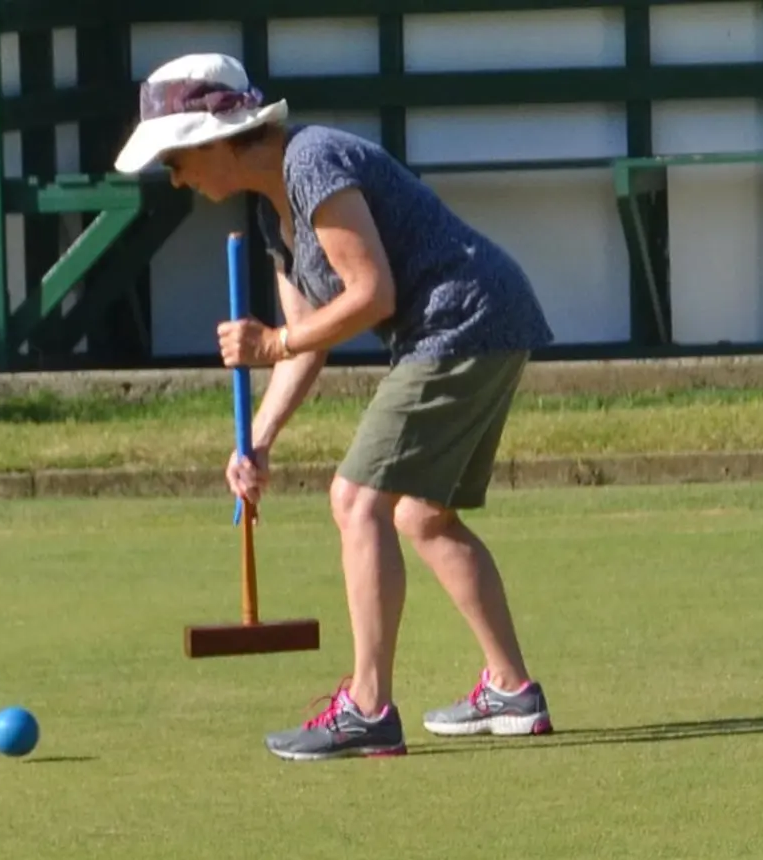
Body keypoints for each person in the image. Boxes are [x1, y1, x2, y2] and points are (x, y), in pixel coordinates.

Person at [117, 54, 555, 761]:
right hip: (485, 322)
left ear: (216, 139)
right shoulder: (273, 216)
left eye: (175, 160)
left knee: (356, 499)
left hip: (462, 322)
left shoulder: (312, 161)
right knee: (423, 516)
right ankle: (511, 690)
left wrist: (273, 341)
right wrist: (258, 440)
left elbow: (370, 295)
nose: (175, 178)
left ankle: (368, 709)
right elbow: (306, 342)